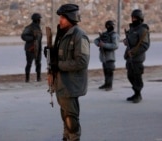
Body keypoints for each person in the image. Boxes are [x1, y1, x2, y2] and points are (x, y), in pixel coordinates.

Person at [46, 4, 90, 141]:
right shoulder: (62, 34)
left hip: (71, 84)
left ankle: (74, 138)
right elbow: (60, 56)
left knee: (71, 117)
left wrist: (58, 65)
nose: (60, 20)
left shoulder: (79, 35)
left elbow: (82, 62)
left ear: (71, 18)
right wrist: (50, 54)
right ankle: (67, 137)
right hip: (61, 83)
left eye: (63, 17)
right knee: (65, 114)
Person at [123, 9, 150, 103]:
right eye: (132, 17)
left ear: (140, 18)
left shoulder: (142, 30)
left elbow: (145, 45)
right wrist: (126, 41)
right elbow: (130, 40)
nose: (133, 19)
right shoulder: (132, 29)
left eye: (135, 18)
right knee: (130, 76)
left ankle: (138, 94)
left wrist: (134, 52)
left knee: (137, 77)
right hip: (130, 58)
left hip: (137, 58)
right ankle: (135, 92)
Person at [94, 20, 119, 91]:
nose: (110, 27)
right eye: (108, 25)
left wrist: (104, 45)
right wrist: (98, 44)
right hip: (104, 56)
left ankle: (109, 85)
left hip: (110, 56)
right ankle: (106, 84)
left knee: (109, 71)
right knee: (105, 70)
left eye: (111, 26)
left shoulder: (114, 35)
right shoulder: (104, 34)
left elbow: (115, 45)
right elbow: (96, 40)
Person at [21, 13, 42, 82]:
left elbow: (39, 39)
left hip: (38, 48)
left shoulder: (38, 28)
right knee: (29, 63)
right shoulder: (29, 28)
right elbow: (23, 36)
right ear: (36, 20)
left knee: (38, 63)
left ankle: (38, 77)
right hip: (30, 49)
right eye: (39, 19)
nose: (40, 20)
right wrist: (32, 38)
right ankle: (27, 78)